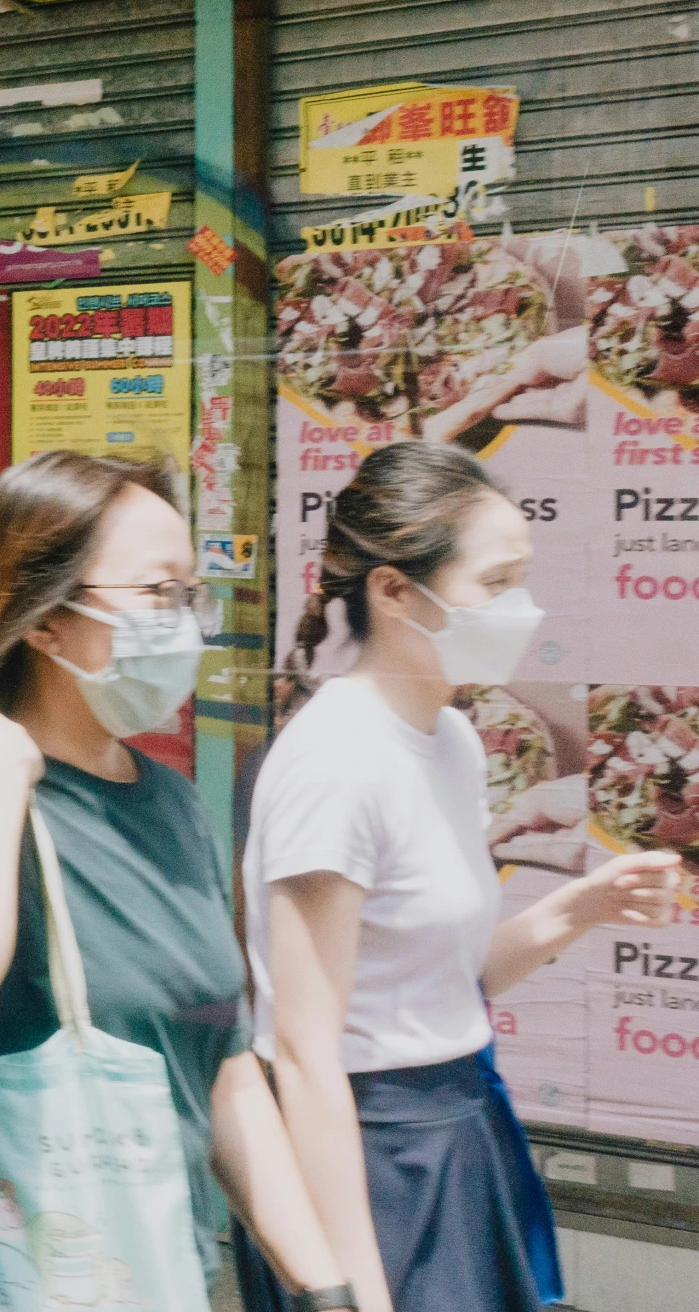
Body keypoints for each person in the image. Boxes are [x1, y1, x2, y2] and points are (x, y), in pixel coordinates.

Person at [0, 452, 348, 1306]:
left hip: (155, 1271)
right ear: (45, 621)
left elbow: (220, 1067)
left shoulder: (176, 805)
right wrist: (0, 756)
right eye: (158, 593)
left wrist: (323, 1281)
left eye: (192, 595)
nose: (185, 622)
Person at [249, 441, 682, 1312]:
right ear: (395, 591)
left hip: (462, 1125)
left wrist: (583, 905)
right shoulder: (335, 762)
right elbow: (304, 1053)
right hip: (369, 1160)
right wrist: (355, 1288)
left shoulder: (449, 740)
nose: (522, 609)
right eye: (496, 583)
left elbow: (444, 983)